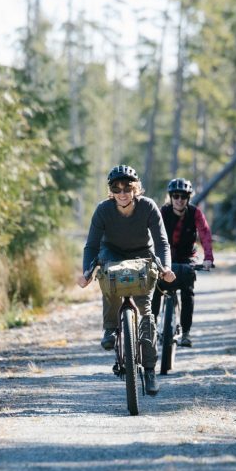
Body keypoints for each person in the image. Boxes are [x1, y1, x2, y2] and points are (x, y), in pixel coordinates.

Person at [78, 165, 176, 395]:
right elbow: (91, 245)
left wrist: (166, 268)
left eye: (127, 188)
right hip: (111, 253)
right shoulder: (103, 210)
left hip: (142, 254)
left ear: (136, 189)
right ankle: (110, 329)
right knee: (108, 281)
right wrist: (86, 273)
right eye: (116, 188)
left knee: (145, 313)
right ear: (111, 191)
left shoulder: (148, 207)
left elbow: (162, 243)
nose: (122, 193)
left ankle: (150, 371)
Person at [150, 178, 215, 347]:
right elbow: (151, 234)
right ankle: (151, 327)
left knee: (188, 288)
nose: (179, 199)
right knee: (157, 287)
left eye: (184, 196)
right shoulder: (162, 212)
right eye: (176, 196)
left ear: (188, 198)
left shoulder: (195, 213)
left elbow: (205, 235)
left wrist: (208, 258)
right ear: (170, 197)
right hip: (165, 257)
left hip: (187, 257)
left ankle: (185, 332)